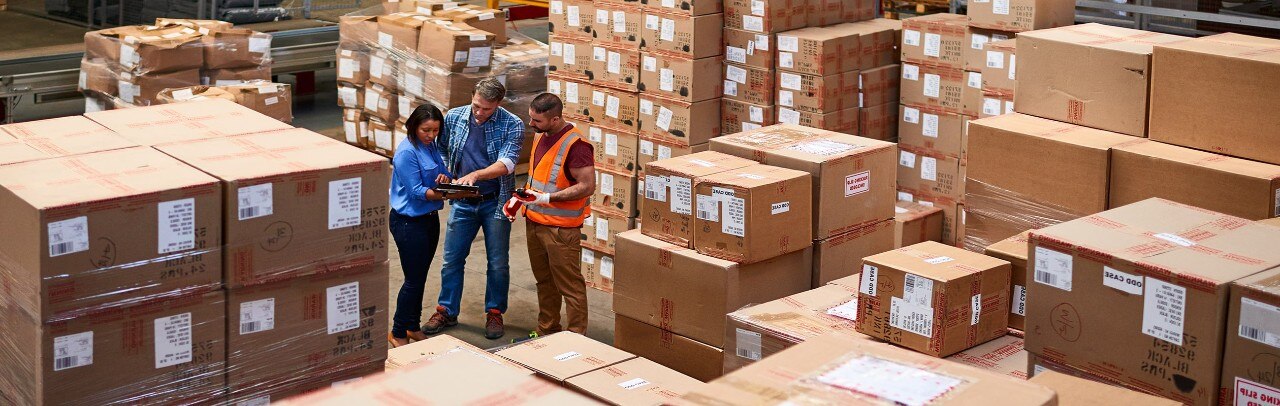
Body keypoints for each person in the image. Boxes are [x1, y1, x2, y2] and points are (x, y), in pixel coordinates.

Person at [426, 78, 526, 339]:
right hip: (462, 201)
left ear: (498, 104)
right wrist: (446, 171)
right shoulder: (454, 117)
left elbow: (508, 163)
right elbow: (442, 149)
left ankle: (494, 312)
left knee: (498, 262)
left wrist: (476, 175)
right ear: (472, 97)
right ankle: (446, 310)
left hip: (495, 201)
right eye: (476, 106)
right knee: (451, 259)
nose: (479, 113)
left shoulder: (512, 124)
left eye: (486, 109)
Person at [518, 92, 595, 337]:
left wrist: (548, 198)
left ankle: (576, 337)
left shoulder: (577, 145)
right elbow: (538, 177)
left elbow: (587, 186)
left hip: (561, 230)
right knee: (544, 282)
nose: (531, 124)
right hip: (534, 223)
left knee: (570, 286)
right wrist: (519, 200)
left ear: (555, 119)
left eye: (537, 120)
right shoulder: (540, 135)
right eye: (531, 118)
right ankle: (547, 330)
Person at [387, 104, 451, 348]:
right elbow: (416, 191)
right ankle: (397, 331)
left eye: (435, 130)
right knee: (413, 279)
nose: (431, 135)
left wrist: (445, 179)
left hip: (428, 219)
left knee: (420, 276)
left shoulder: (430, 145)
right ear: (414, 126)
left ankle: (412, 326)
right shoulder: (406, 152)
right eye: (426, 130)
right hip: (408, 223)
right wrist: (449, 194)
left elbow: (443, 172)